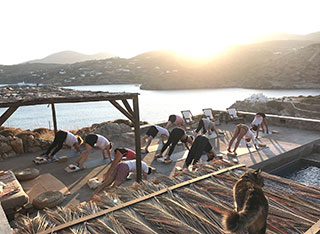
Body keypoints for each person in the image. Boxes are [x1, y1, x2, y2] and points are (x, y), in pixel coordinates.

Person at [90, 159, 154, 197]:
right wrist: (145, 186)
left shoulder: (141, 165)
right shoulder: (145, 167)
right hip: (125, 168)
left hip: (121, 164)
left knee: (107, 182)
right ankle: (106, 198)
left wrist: (137, 184)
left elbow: (135, 176)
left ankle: (93, 195)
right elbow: (145, 178)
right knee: (115, 186)